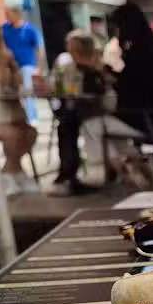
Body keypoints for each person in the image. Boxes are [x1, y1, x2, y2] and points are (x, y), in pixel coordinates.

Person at [0, 22, 38, 196]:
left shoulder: (2, 64)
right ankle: (9, 174)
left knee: (29, 132)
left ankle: (13, 171)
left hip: (8, 116)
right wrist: (1, 64)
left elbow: (18, 89)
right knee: (13, 135)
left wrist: (13, 69)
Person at [50, 31, 105, 196]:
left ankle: (67, 175)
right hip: (78, 110)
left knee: (66, 125)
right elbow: (59, 87)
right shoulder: (68, 67)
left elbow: (98, 93)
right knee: (66, 124)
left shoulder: (96, 66)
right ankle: (67, 175)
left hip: (96, 112)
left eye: (74, 49)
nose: (71, 53)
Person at [109, 3, 153, 155]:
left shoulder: (139, 52)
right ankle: (128, 161)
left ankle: (121, 163)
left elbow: (130, 86)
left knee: (92, 122)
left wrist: (107, 76)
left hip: (140, 117)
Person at [1, 6, 42, 123]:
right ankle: (20, 117)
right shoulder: (5, 28)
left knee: (27, 91)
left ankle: (31, 118)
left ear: (17, 14)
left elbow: (38, 49)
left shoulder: (29, 29)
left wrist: (38, 67)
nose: (7, 17)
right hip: (11, 66)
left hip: (27, 65)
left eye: (9, 14)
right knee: (13, 92)